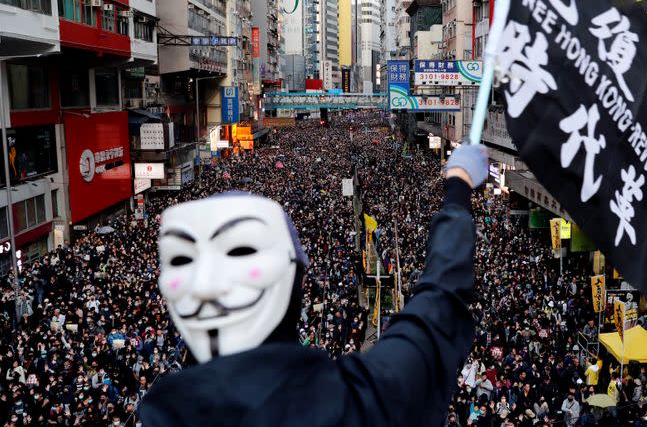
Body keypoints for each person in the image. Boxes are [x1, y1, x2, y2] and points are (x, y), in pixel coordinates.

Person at [139, 145, 489, 426]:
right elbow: (439, 299)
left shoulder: (158, 411)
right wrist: (457, 185)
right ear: (299, 280)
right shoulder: (364, 400)